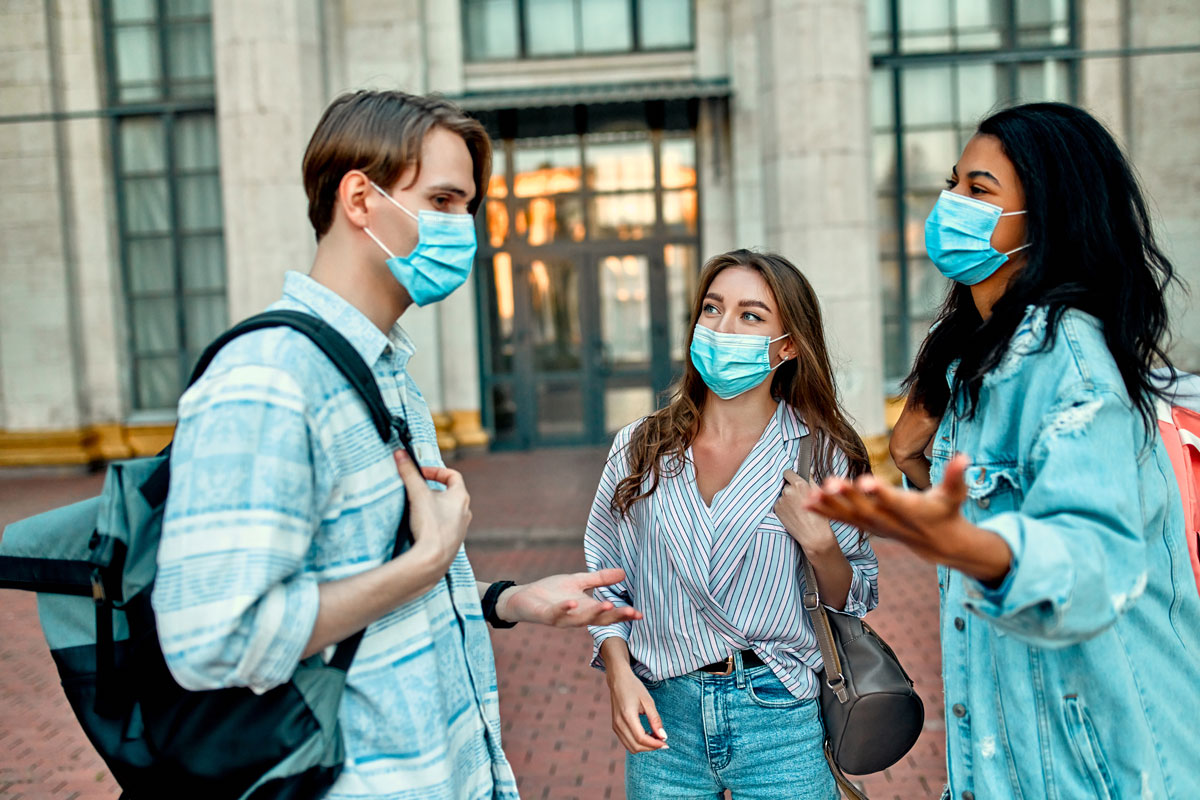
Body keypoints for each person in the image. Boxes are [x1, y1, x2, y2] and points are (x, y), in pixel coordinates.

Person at [151, 90, 640, 800]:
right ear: (359, 199)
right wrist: (424, 566)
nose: (462, 228)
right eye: (441, 201)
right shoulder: (269, 380)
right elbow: (210, 639)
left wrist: (511, 601)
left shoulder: (383, 372)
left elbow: (368, 591)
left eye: (468, 207)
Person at [805, 102, 1200, 799]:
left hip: (1098, 775)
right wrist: (917, 461)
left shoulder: (1069, 359)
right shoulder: (982, 362)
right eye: (953, 183)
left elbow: (1091, 561)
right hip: (1011, 765)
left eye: (978, 190)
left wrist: (975, 547)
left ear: (1044, 217)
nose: (949, 204)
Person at [584, 249, 879, 800]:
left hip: (780, 714)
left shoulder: (822, 456)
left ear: (787, 346)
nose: (722, 327)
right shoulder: (641, 447)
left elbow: (855, 595)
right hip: (662, 712)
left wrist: (821, 547)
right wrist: (619, 675)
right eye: (712, 309)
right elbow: (605, 578)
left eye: (750, 315)